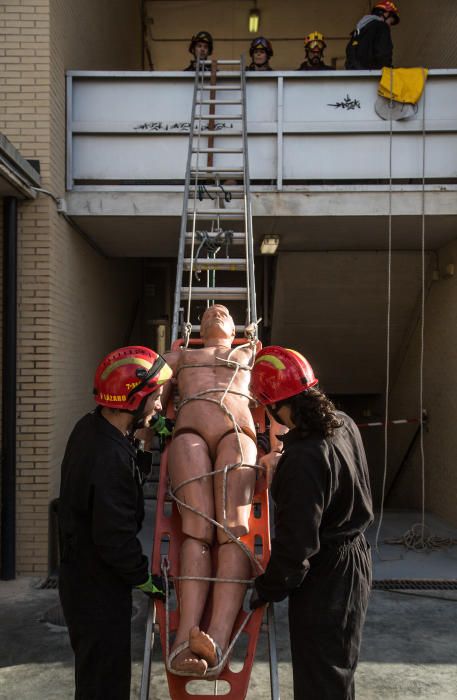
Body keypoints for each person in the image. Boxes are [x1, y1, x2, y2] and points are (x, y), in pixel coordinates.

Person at [162, 305, 283, 677]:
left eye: (224, 313)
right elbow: (151, 396)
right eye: (210, 313)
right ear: (197, 326)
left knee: (233, 531)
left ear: (236, 330)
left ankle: (213, 640)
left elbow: (282, 401)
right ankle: (186, 638)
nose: (216, 314)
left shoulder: (252, 354)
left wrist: (278, 449)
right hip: (189, 435)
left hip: (238, 433)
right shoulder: (180, 355)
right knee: (197, 531)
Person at [249, 346, 373, 700]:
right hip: (355, 559)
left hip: (327, 576)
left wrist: (267, 588)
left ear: (274, 405)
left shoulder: (303, 460)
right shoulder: (343, 423)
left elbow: (296, 547)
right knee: (337, 670)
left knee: (321, 678)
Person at [58, 346, 172, 700]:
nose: (159, 406)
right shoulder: (107, 458)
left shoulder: (94, 428)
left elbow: (121, 477)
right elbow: (114, 537)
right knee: (104, 684)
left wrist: (146, 443)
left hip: (84, 577)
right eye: (155, 397)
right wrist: (143, 578)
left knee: (97, 676)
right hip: (98, 590)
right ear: (133, 398)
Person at [345, 1, 400, 70]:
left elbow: (350, 54)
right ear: (386, 14)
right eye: (390, 22)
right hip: (374, 76)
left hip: (355, 75)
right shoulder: (382, 26)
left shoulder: (359, 30)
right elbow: (383, 53)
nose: (389, 26)